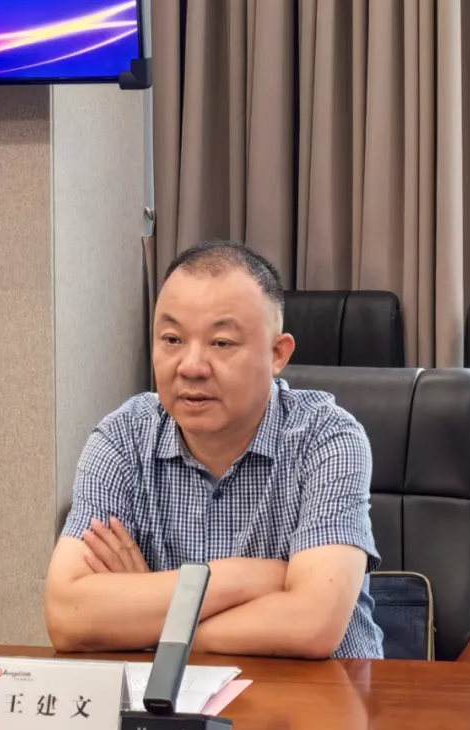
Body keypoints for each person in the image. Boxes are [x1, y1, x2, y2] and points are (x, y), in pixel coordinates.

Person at [44, 240, 383, 659]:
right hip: (173, 698)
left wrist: (146, 625)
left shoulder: (326, 437)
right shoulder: (123, 437)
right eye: (172, 339)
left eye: (221, 343)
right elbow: (67, 615)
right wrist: (246, 578)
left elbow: (311, 624)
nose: (191, 366)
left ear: (277, 354)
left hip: (322, 693)